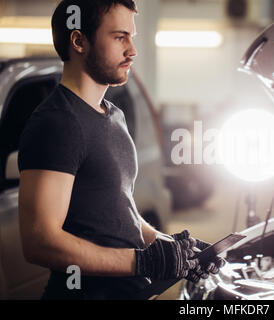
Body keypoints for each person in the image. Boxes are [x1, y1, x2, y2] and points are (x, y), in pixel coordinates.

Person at [17, 0, 224, 300]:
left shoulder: (114, 116)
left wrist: (175, 251)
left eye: (131, 36)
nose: (132, 50)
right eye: (119, 37)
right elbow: (40, 241)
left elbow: (118, 212)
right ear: (79, 41)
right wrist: (141, 262)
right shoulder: (56, 123)